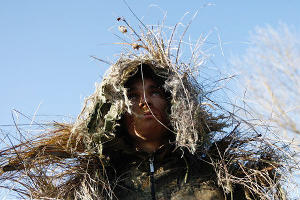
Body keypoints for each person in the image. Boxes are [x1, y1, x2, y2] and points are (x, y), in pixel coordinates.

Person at [0, 20, 290, 200]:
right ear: (115, 112)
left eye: (155, 93)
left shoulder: (216, 176)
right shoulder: (101, 184)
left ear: (175, 104)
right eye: (133, 95)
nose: (144, 102)